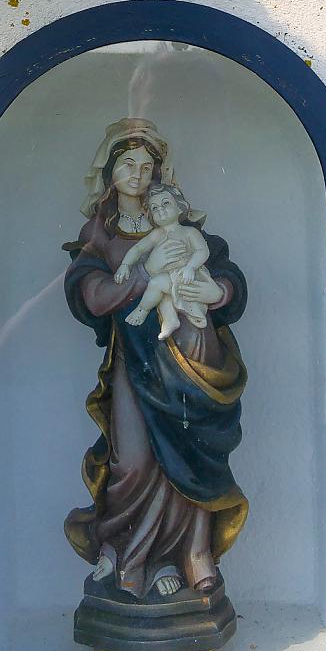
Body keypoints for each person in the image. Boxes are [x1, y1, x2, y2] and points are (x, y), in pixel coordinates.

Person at [63, 119, 248, 600]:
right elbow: (91, 293)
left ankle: (182, 555)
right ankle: (125, 550)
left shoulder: (183, 225)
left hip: (194, 360)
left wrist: (218, 289)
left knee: (188, 455)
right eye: (127, 164)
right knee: (135, 463)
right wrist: (138, 282)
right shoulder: (99, 234)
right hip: (136, 358)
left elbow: (225, 275)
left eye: (148, 167)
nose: (138, 175)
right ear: (109, 172)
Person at [115, 181, 214, 340]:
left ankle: (142, 310)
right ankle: (169, 320)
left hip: (187, 277)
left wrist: (190, 267)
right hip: (168, 277)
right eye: (154, 208)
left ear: (179, 206)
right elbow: (138, 249)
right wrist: (125, 265)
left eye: (165, 203)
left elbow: (203, 251)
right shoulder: (157, 234)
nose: (160, 210)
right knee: (162, 292)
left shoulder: (189, 232)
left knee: (157, 284)